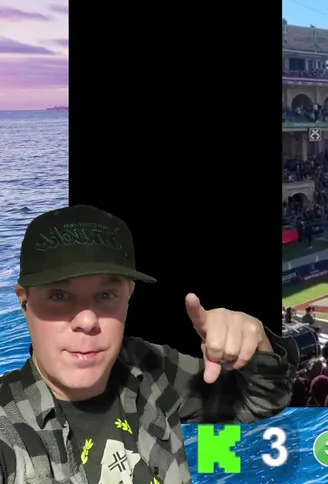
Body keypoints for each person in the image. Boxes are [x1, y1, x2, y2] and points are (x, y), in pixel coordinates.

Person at [0, 205, 295, 484]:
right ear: (24, 300)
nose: (87, 320)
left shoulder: (150, 367)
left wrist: (256, 347)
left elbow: (260, 409)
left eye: (106, 295)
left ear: (128, 295)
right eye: (59, 296)